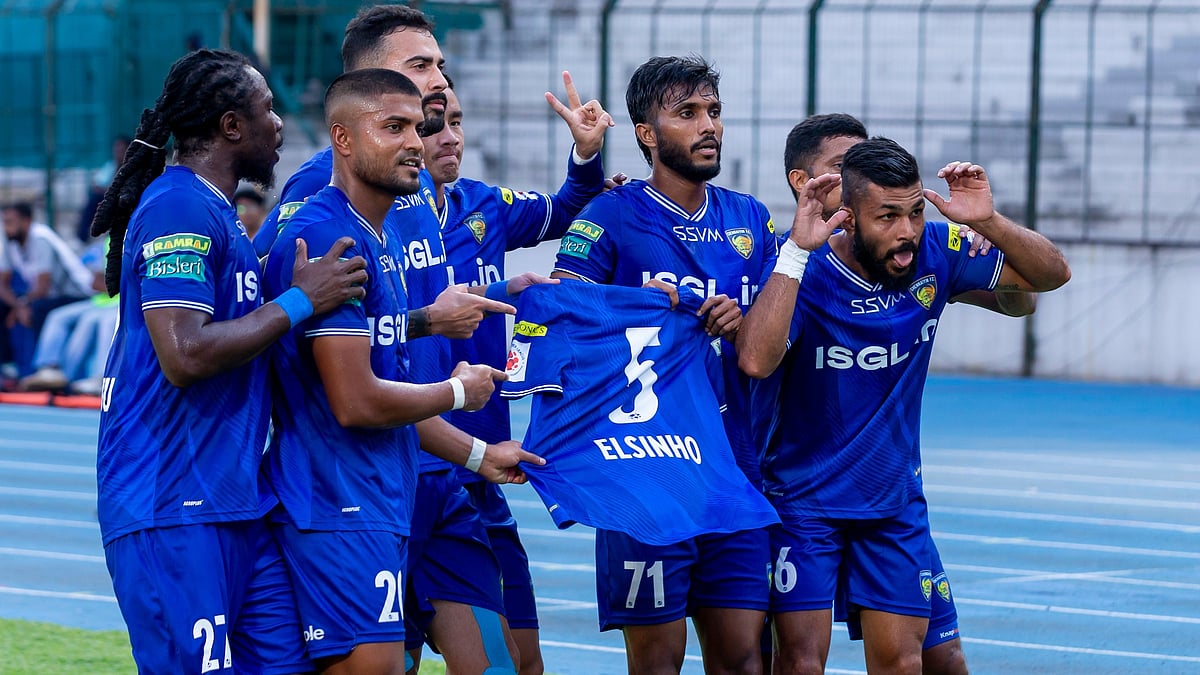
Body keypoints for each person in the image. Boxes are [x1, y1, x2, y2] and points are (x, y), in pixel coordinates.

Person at [737, 137, 1070, 674]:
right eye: (888, 216)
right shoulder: (805, 269)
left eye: (914, 212)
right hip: (802, 505)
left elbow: (1048, 277)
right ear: (846, 216)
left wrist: (988, 222)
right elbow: (754, 359)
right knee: (799, 664)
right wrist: (795, 253)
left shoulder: (934, 252)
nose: (906, 231)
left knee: (906, 663)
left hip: (892, 505)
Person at [89, 48, 369, 674]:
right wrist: (301, 300)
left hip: (237, 505)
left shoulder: (222, 217)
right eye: (268, 110)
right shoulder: (177, 207)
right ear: (231, 126)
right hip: (171, 508)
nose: (279, 125)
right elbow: (184, 354)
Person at [261, 68, 543, 675]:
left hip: (404, 490)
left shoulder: (382, 234)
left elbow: (388, 378)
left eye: (421, 125)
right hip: (338, 505)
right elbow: (358, 402)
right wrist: (456, 391)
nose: (418, 140)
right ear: (342, 136)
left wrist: (473, 454)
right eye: (395, 126)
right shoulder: (327, 233)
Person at [551, 55, 776, 675]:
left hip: (733, 469)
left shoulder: (751, 219)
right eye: (687, 113)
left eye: (714, 112)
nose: (709, 126)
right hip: (646, 476)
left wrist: (742, 323)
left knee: (745, 661)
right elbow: (562, 322)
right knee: (657, 663)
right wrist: (644, 310)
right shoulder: (608, 217)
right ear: (647, 134)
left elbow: (772, 339)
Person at [414, 76, 611, 675]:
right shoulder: (380, 218)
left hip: (481, 464)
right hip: (408, 466)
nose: (451, 138)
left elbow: (565, 209)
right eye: (431, 127)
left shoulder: (482, 203)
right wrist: (500, 289)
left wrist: (585, 155)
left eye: (457, 122)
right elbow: (393, 314)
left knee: (523, 663)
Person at [0, 202, 93, 378]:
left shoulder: (40, 238)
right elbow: (2, 283)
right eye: (4, 222)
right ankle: (7, 366)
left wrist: (22, 305)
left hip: (76, 295)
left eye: (10, 222)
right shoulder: (10, 240)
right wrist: (18, 306)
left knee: (36, 309)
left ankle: (41, 370)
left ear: (26, 221)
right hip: (46, 296)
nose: (6, 227)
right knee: (5, 306)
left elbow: (43, 287)